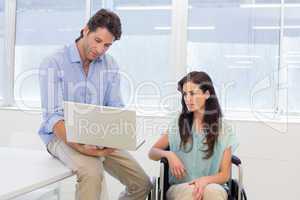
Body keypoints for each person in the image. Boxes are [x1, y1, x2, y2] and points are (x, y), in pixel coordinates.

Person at [39, 9, 151, 200]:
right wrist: (81, 147)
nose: (100, 50)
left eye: (107, 45)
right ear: (85, 31)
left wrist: (117, 136)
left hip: (98, 136)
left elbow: (115, 107)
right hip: (60, 135)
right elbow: (53, 117)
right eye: (97, 41)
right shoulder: (54, 63)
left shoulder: (110, 65)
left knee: (142, 183)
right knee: (92, 172)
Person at [148, 71, 238, 200]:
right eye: (185, 94)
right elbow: (152, 152)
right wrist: (169, 154)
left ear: (207, 94)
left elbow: (224, 175)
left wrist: (204, 181)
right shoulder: (178, 123)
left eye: (192, 93)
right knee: (191, 194)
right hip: (181, 186)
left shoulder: (223, 129)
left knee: (213, 192)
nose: (187, 99)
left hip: (212, 184)